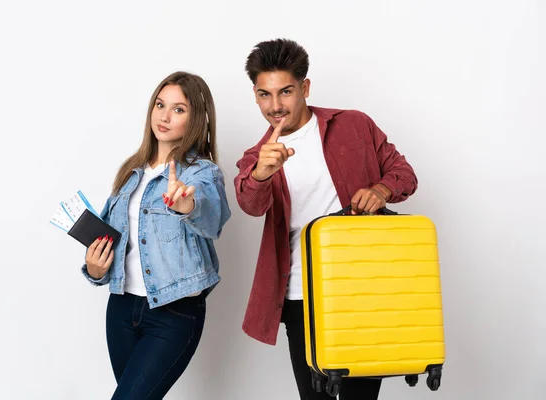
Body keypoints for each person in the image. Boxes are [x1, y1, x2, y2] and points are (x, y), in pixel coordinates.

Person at [234, 39, 418, 399]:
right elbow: (250, 206)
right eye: (264, 94)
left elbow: (404, 173)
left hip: (363, 289)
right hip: (301, 295)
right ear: (255, 96)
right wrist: (260, 174)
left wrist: (380, 190)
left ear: (304, 87)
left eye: (285, 91)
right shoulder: (258, 156)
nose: (275, 105)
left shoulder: (353, 125)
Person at [82, 71, 231, 399]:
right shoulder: (130, 172)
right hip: (120, 309)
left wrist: (187, 204)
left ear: (197, 119)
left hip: (173, 313)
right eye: (160, 105)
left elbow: (212, 218)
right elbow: (111, 242)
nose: (164, 116)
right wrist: (95, 270)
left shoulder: (201, 172)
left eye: (179, 109)